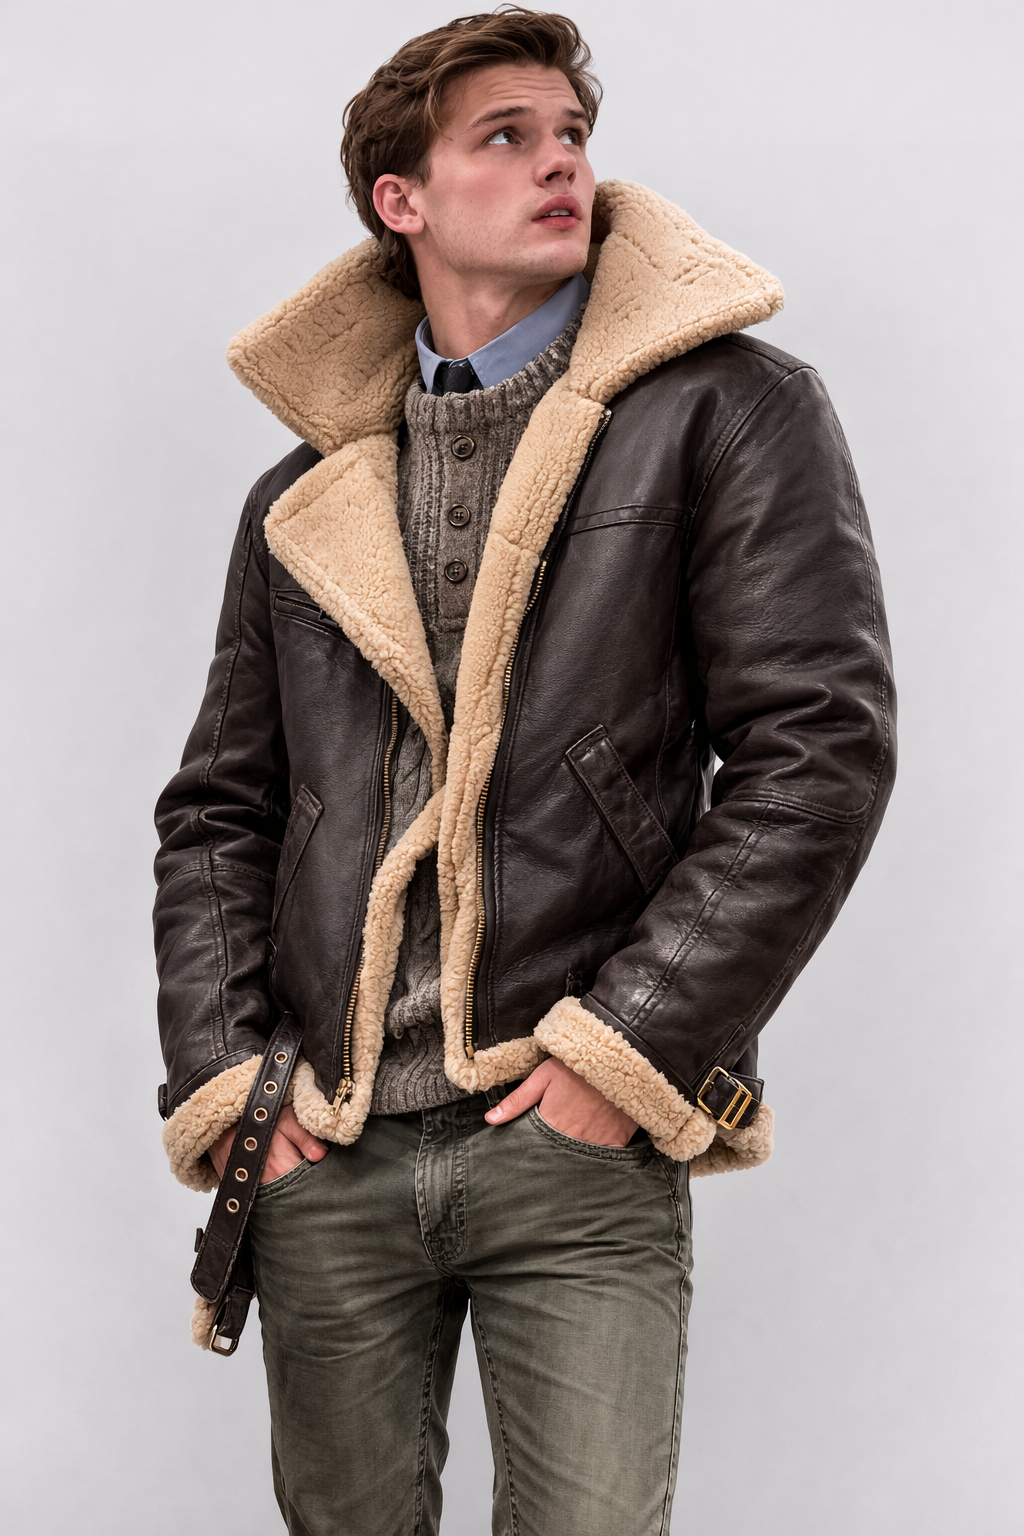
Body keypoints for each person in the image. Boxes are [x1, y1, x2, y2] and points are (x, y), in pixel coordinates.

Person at [154, 9, 895, 1533]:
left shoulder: (727, 412)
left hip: (570, 1131)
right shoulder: (304, 495)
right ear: (402, 200)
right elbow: (219, 812)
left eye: (572, 134)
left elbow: (817, 752)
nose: (564, 163)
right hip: (329, 1149)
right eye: (506, 136)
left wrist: (621, 1056)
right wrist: (233, 1088)